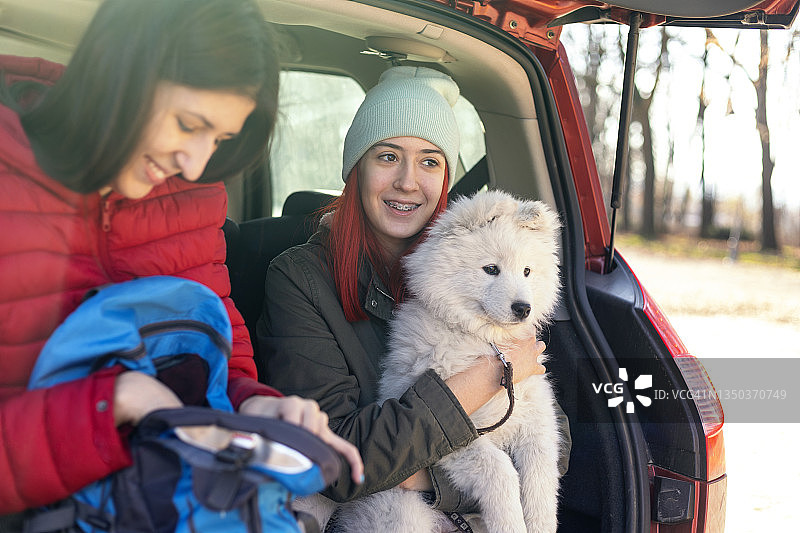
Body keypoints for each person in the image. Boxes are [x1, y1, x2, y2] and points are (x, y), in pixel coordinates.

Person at [0, 0, 361, 517]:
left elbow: (212, 361)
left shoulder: (192, 198)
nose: (194, 164)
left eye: (220, 139)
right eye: (189, 123)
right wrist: (110, 405)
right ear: (120, 67)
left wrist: (255, 405)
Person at [258, 66, 570, 524]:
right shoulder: (299, 280)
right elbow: (334, 463)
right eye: (388, 156)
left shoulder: (482, 268)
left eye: (429, 161)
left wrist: (432, 477)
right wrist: (486, 378)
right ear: (356, 167)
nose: (408, 181)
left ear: (445, 178)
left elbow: (552, 443)